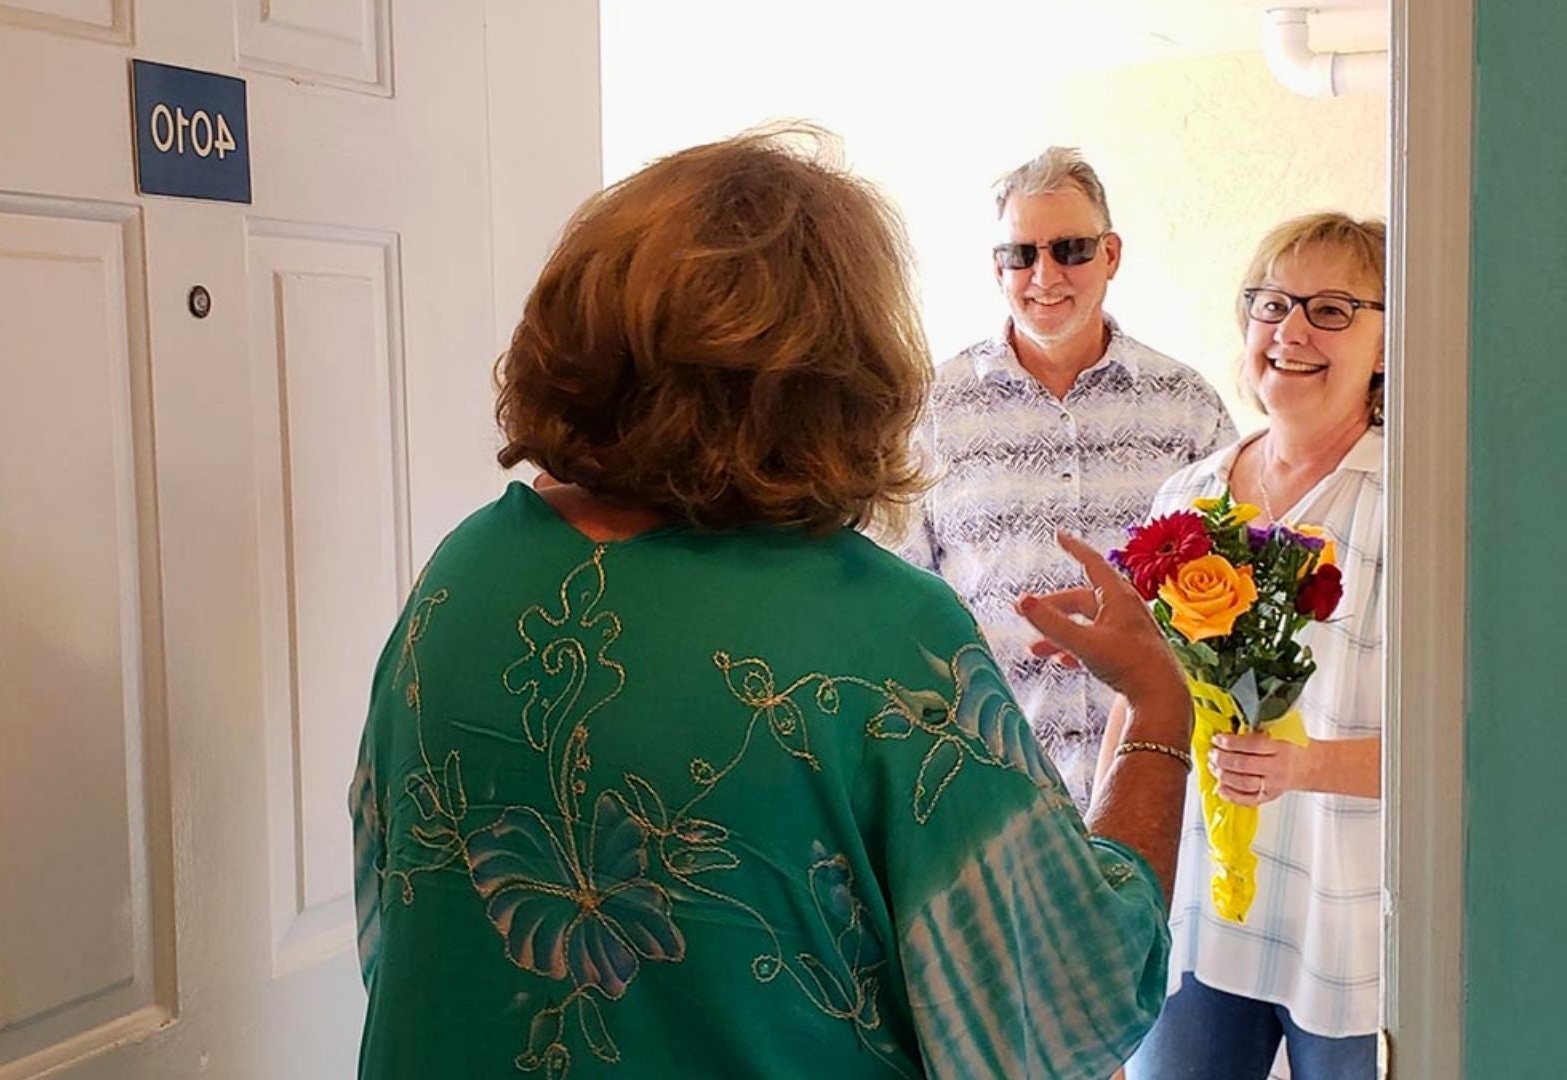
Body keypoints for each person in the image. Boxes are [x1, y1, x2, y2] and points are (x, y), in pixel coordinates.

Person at [349, 126, 1195, 1080]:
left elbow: (393, 921)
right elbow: (1067, 999)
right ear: (844, 372)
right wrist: (1157, 709)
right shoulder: (885, 636)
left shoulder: (464, 570)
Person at [1108, 213, 1387, 1080]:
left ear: (1388, 341)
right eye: (1272, 303)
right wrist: (1103, 860)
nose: (1292, 330)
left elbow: (1464, 752)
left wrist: (1303, 767)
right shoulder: (1188, 496)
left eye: (1332, 309)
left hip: (1348, 926)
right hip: (1196, 910)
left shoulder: (1412, 500)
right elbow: (1142, 694)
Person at [909, 147, 1236, 809]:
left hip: (1164, 789)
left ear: (1111, 255)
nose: (1044, 275)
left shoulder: (1187, 407)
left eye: (1071, 250)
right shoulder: (931, 412)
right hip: (992, 794)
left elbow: (1233, 597)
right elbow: (902, 606)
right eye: (1020, 254)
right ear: (997, 267)